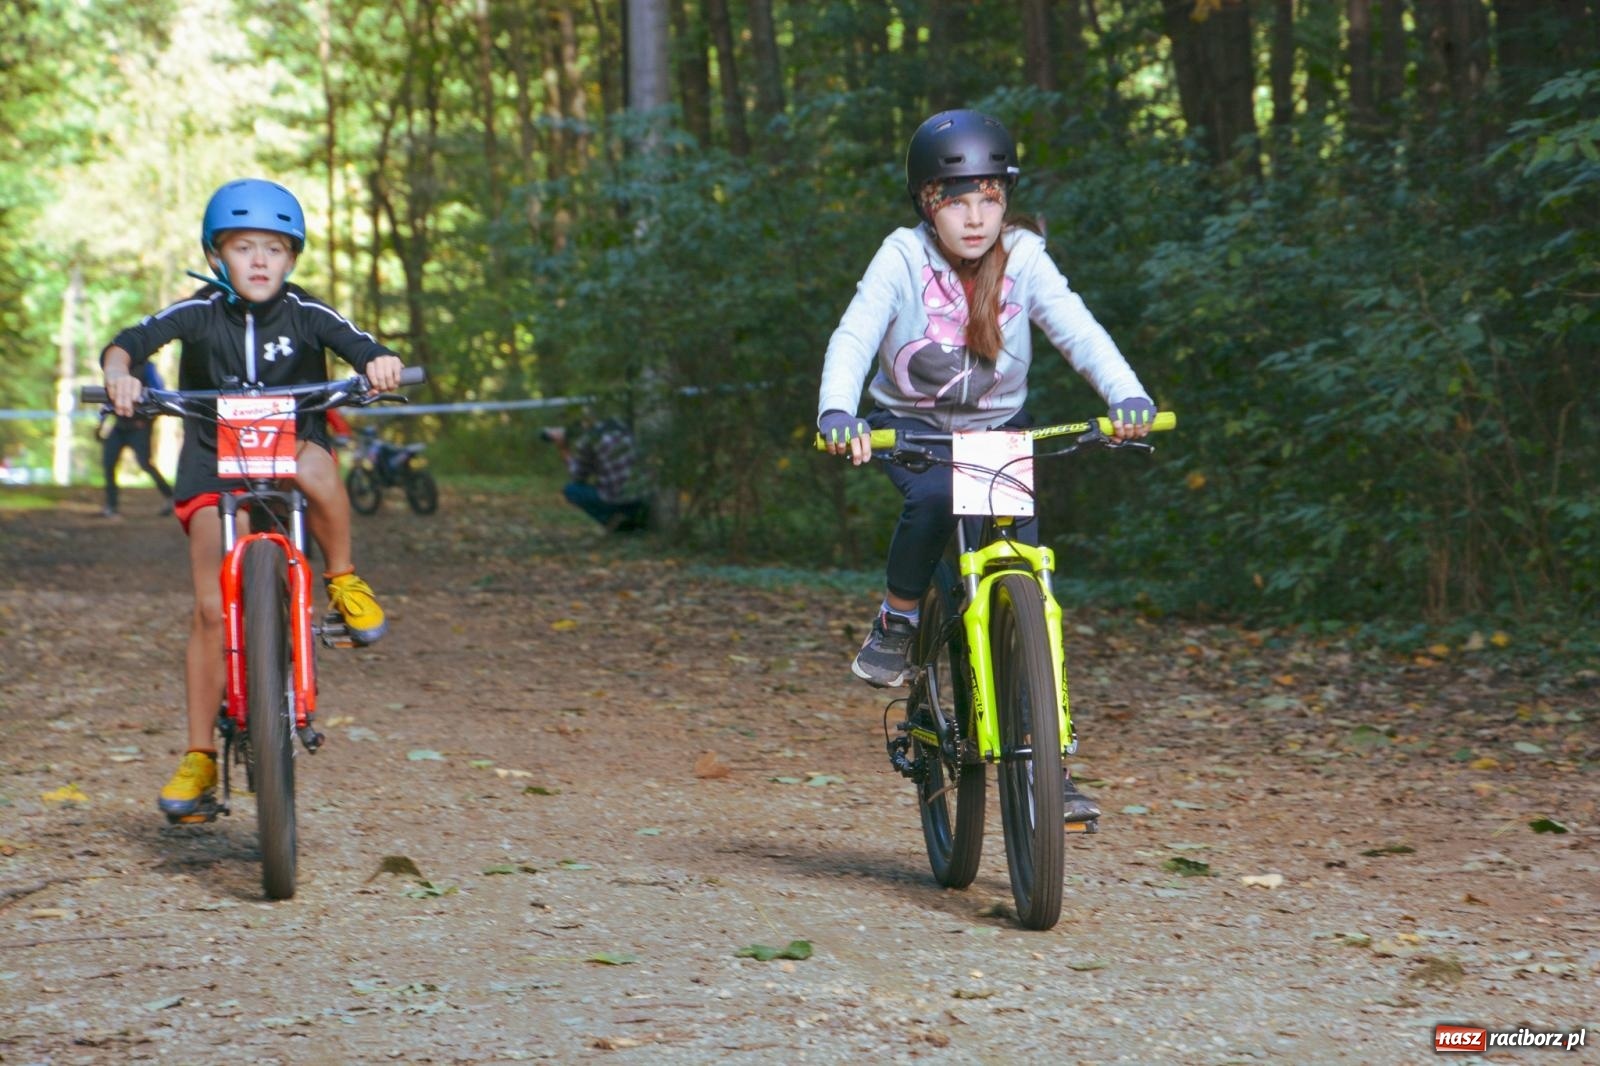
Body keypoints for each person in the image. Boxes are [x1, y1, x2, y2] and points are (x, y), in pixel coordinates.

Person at [816, 110, 1159, 824]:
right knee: (937, 497)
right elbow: (855, 331)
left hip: (997, 432)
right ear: (925, 204)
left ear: (1006, 199)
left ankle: (1047, 768)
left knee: (1028, 571)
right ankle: (899, 615)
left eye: (990, 198)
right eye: (956, 201)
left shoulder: (1025, 257)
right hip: (912, 430)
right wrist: (837, 412)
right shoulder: (901, 258)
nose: (975, 218)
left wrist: (1126, 395)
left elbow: (1076, 326)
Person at [101, 178, 407, 819]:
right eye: (244, 247)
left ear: (292, 257)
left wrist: (379, 363)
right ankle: (198, 756)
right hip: (214, 466)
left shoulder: (308, 312)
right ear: (218, 256)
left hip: (290, 453)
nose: (260, 260)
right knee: (211, 609)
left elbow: (361, 346)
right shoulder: (197, 313)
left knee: (320, 469)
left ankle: (344, 579)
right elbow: (132, 338)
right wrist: (119, 374)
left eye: (274, 247)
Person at [545, 413, 649, 532]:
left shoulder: (589, 440)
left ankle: (616, 524)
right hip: (642, 498)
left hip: (618, 500)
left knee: (571, 490)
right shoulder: (621, 426)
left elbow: (577, 476)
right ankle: (631, 520)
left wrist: (563, 449)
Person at [98, 360, 175, 518]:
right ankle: (111, 506)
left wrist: (147, 421)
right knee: (108, 463)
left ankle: (171, 497)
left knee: (145, 463)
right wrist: (101, 423)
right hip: (120, 425)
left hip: (139, 426)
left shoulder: (147, 368)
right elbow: (108, 397)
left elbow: (159, 395)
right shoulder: (117, 369)